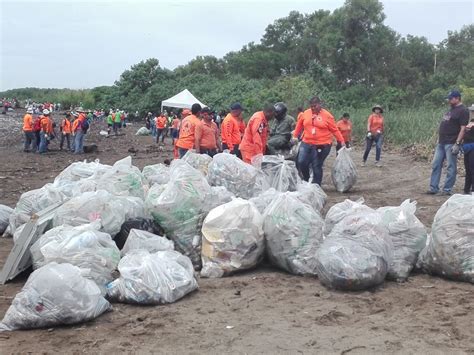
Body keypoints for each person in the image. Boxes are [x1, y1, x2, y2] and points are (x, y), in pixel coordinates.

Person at [292, 96, 345, 185]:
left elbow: (334, 129)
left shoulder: (327, 116)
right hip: (307, 142)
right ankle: (306, 179)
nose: (313, 108)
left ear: (320, 105)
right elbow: (299, 125)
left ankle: (316, 185)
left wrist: (341, 141)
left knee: (316, 165)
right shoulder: (305, 113)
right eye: (311, 106)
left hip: (322, 144)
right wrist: (295, 136)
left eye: (315, 106)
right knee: (301, 162)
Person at [427, 90, 469, 195]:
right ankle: (433, 188)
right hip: (441, 142)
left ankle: (447, 189)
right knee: (436, 164)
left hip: (451, 142)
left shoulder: (463, 110)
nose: (449, 100)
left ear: (457, 98)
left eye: (450, 98)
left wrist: (458, 143)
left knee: (451, 166)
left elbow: (463, 128)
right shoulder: (451, 109)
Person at [463, 118, 474, 194]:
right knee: (468, 169)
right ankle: (466, 189)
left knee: (472, 168)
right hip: (466, 146)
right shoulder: (471, 121)